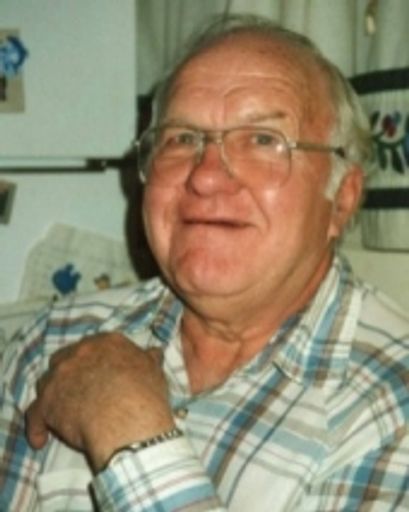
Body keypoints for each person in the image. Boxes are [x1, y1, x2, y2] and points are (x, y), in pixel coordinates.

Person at [1, 14, 408, 511]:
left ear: (342, 199)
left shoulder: (393, 406)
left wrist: (132, 435)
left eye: (263, 140)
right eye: (182, 138)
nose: (206, 177)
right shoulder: (53, 342)